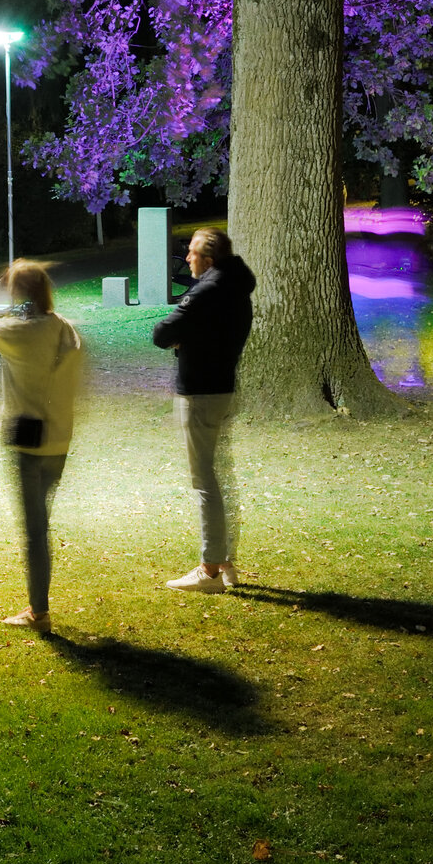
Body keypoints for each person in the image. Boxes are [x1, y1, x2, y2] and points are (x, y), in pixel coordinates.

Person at [0, 261, 86, 632]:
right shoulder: (63, 327)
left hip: (28, 436)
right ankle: (37, 606)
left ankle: (38, 611)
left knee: (35, 529)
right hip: (60, 436)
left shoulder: (16, 332)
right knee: (42, 522)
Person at [150, 226, 257, 592]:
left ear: (208, 259)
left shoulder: (209, 290)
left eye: (192, 252)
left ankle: (210, 568)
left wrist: (185, 336)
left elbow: (162, 333)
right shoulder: (234, 285)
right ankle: (224, 560)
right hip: (221, 387)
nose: (188, 258)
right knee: (216, 476)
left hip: (200, 392)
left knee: (205, 480)